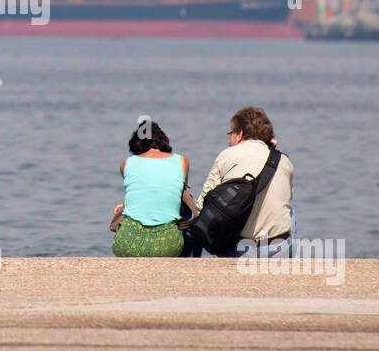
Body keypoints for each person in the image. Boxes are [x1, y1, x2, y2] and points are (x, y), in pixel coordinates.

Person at [193, 106, 295, 258]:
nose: (229, 140)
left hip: (243, 250)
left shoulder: (227, 155)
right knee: (290, 213)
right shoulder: (283, 160)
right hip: (279, 246)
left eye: (230, 134)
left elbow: (202, 206)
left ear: (239, 134)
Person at [109, 120, 196, 257]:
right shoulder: (181, 161)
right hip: (168, 245)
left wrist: (124, 206)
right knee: (184, 212)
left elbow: (140, 191)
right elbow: (174, 193)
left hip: (127, 244)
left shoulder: (127, 163)